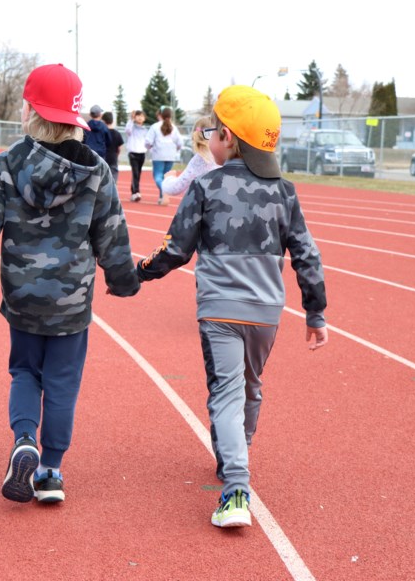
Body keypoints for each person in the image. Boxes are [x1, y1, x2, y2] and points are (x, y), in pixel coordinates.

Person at [0, 63, 139, 505]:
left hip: (21, 296)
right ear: (75, 118)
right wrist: (124, 282)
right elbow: (112, 235)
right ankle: (51, 470)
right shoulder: (97, 173)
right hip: (72, 303)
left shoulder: (7, 165)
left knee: (25, 371)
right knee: (64, 380)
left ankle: (24, 439)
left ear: (30, 110)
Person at [136, 85, 328, 529]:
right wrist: (315, 312)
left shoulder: (205, 186)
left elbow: (175, 250)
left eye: (211, 131)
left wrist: (137, 273)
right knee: (250, 387)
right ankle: (235, 453)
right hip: (265, 312)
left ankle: (235, 484)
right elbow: (306, 255)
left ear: (226, 137)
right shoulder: (285, 192)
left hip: (219, 309)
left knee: (225, 392)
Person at [160, 116, 220, 197]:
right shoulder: (229, 157)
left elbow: (176, 188)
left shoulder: (199, 161)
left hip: (202, 205)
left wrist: (168, 179)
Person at [144, 106, 182, 205]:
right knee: (166, 176)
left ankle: (164, 192)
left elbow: (148, 141)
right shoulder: (174, 127)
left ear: (160, 115)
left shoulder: (155, 126)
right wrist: (175, 150)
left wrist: (149, 148)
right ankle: (162, 196)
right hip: (170, 155)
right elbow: (180, 143)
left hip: (158, 154)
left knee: (158, 175)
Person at [124, 109, 149, 201]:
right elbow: (127, 130)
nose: (139, 117)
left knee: (138, 173)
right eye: (138, 115)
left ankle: (134, 190)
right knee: (135, 173)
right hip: (133, 153)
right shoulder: (132, 128)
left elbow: (148, 141)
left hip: (142, 153)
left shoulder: (145, 130)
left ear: (144, 118)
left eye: (142, 116)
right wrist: (131, 119)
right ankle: (136, 192)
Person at [102, 111, 123, 182]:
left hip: (103, 157)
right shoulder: (117, 134)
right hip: (113, 157)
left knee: (102, 178)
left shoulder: (102, 133)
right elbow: (119, 148)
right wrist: (117, 155)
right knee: (113, 179)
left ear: (103, 121)